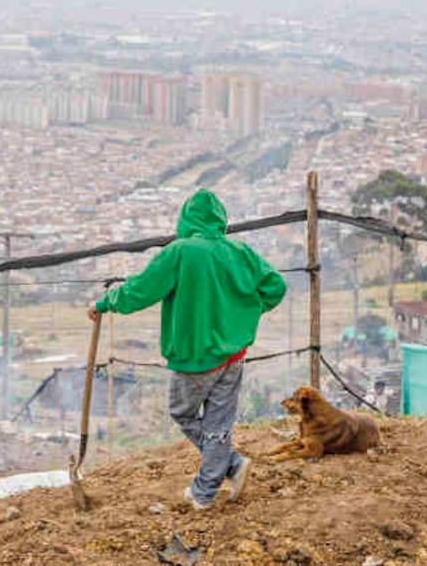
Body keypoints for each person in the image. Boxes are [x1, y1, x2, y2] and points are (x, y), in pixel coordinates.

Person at [88, 189, 286, 509]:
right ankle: (219, 476)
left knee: (182, 412)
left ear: (186, 219)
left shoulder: (179, 252)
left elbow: (139, 291)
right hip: (233, 355)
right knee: (218, 423)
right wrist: (241, 314)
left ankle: (220, 477)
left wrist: (104, 302)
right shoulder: (239, 251)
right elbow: (275, 286)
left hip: (195, 358)